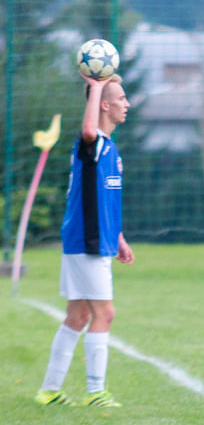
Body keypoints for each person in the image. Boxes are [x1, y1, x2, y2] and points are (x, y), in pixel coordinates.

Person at [35, 72, 133, 407]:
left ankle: (49, 390)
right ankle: (96, 392)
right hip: (87, 244)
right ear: (104, 104)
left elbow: (103, 200)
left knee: (78, 316)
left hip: (96, 241)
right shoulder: (90, 144)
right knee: (104, 314)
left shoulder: (110, 149)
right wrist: (94, 88)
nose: (126, 104)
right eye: (120, 99)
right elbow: (89, 129)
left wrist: (118, 236)